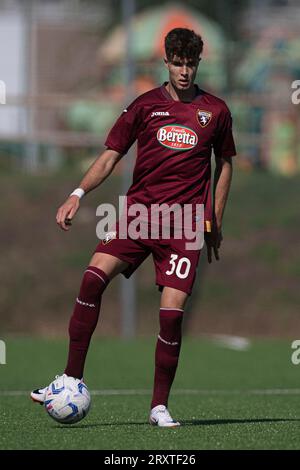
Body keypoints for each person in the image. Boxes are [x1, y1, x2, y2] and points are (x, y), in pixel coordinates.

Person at [31, 28, 236, 427]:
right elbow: (111, 156)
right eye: (177, 62)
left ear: (198, 64)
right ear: (166, 62)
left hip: (185, 225)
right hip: (137, 216)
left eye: (190, 63)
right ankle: (71, 377)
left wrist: (214, 218)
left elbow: (225, 164)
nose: (184, 71)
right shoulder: (144, 106)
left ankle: (159, 406)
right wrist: (77, 193)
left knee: (171, 316)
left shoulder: (216, 111)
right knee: (91, 278)